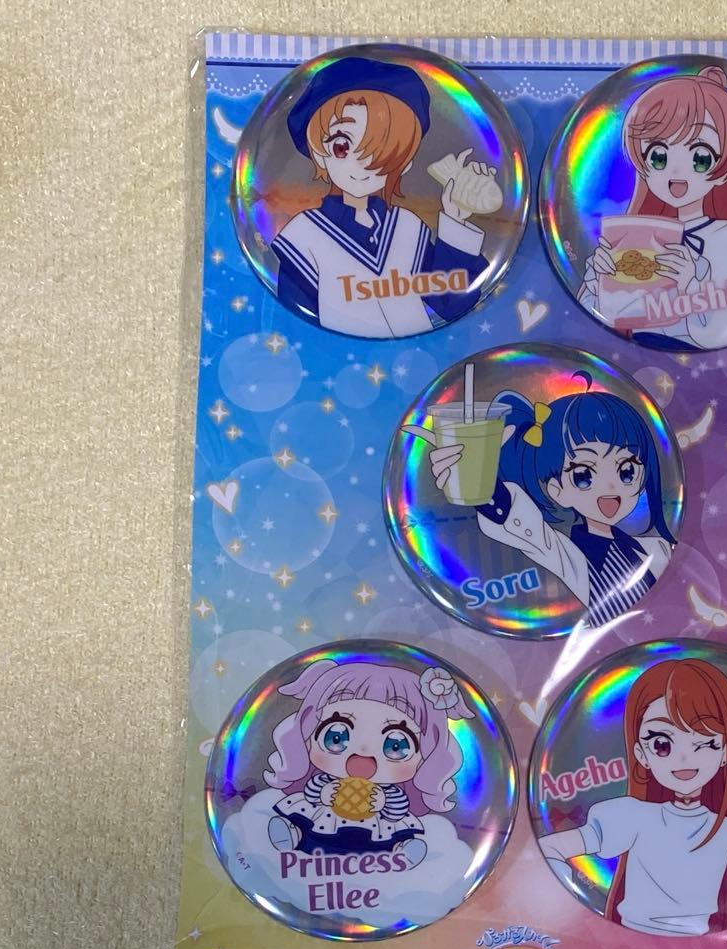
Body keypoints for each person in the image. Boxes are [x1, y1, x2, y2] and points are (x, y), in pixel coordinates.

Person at [538, 658, 727, 935]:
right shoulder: (631, 816)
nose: (685, 758)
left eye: (706, 742)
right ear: (641, 754)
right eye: (662, 744)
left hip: (702, 948)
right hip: (626, 939)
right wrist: (573, 892)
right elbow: (550, 847)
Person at [428, 373, 677, 628]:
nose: (611, 487)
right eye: (584, 476)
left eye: (627, 471)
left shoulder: (657, 548)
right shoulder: (568, 557)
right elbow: (524, 526)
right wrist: (478, 475)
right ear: (557, 490)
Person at [271, 56, 496, 336]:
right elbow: (295, 322)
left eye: (385, 154)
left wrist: (455, 218)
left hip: (423, 352)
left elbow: (451, 302)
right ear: (318, 153)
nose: (363, 164)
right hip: (337, 356)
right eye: (342, 146)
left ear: (406, 163)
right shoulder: (303, 236)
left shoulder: (408, 226)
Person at [580, 67, 727, 351]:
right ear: (642, 166)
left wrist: (693, 286)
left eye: (700, 159)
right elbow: (609, 319)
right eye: (659, 157)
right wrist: (599, 282)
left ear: (725, 170)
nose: (676, 172)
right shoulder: (638, 234)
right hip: (634, 353)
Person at [263, 659, 467, 869]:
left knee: (387, 840)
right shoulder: (325, 779)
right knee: (309, 825)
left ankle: (400, 853)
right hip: (326, 820)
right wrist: (324, 793)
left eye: (396, 745)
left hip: (375, 832)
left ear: (426, 754)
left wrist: (382, 802)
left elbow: (398, 809)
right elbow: (312, 791)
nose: (361, 759)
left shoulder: (391, 792)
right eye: (336, 737)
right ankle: (295, 835)